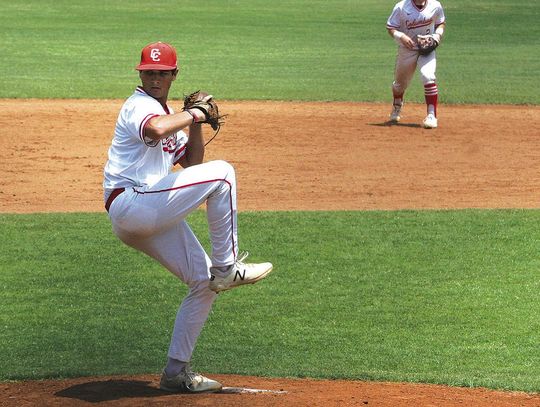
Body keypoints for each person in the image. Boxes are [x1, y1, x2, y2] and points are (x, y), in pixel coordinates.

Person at [102, 41, 273, 393]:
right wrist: (195, 114)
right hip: (131, 203)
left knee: (202, 281)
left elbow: (192, 163)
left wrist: (197, 123)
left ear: (173, 75)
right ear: (140, 74)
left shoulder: (168, 114)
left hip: (148, 213)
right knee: (223, 173)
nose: (154, 79)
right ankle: (228, 267)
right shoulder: (139, 106)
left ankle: (175, 372)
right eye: (148, 73)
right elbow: (155, 130)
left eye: (161, 73)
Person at [386, 0, 446, 128]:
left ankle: (431, 115)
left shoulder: (435, 5)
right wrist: (401, 36)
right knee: (399, 85)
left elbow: (440, 22)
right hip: (407, 50)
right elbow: (391, 27)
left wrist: (437, 36)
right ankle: (397, 105)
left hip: (427, 50)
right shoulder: (401, 7)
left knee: (428, 76)